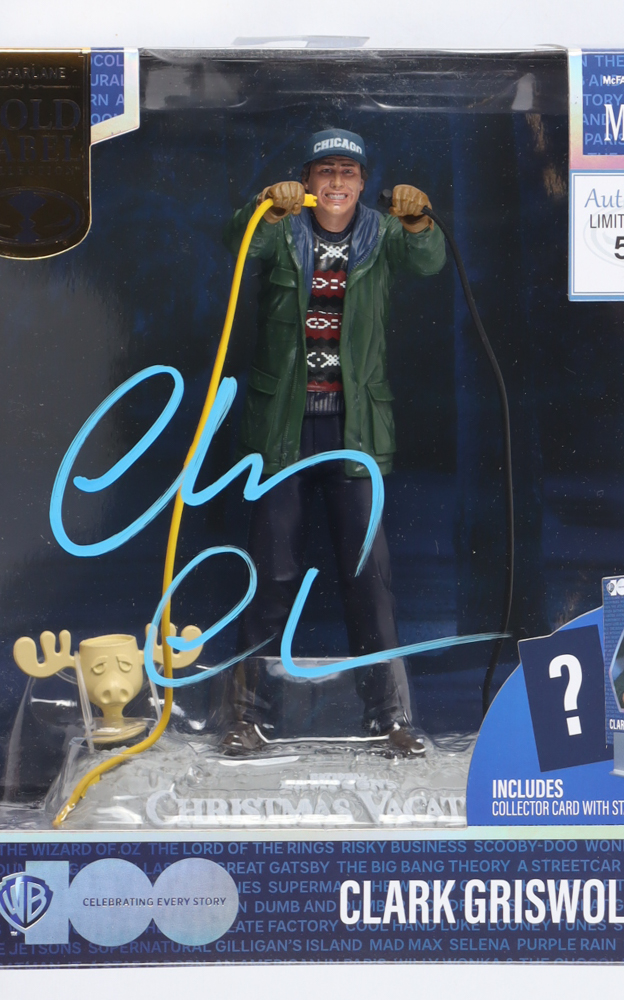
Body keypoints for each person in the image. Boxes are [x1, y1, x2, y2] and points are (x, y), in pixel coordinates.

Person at [221, 128, 446, 756]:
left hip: (355, 430)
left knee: (369, 576)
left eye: (348, 172)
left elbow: (429, 260)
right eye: (325, 172)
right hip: (284, 429)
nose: (336, 183)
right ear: (307, 180)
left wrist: (420, 219)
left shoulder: (383, 234)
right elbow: (240, 242)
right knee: (270, 573)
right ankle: (245, 715)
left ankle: (392, 716)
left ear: (363, 182)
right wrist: (267, 205)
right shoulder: (283, 229)